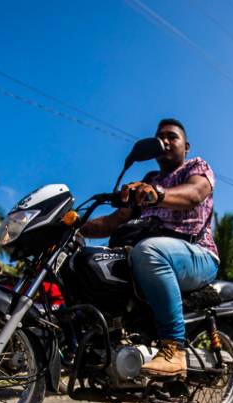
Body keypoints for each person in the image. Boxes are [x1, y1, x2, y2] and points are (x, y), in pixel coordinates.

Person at [81, 118, 218, 377]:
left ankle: (174, 348)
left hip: (197, 254)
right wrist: (76, 226)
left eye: (171, 137)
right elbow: (113, 221)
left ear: (186, 146)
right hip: (156, 252)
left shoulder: (196, 166)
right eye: (159, 137)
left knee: (148, 251)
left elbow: (194, 194)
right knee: (94, 261)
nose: (164, 142)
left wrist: (159, 194)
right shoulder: (150, 179)